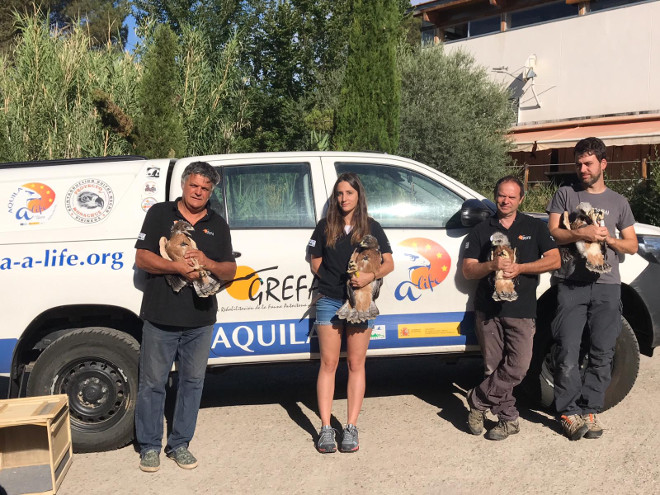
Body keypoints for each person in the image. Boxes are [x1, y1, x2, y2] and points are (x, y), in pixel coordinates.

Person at [134, 161, 237, 472]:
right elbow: (142, 257)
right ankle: (150, 446)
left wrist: (208, 261)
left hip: (200, 320)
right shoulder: (160, 214)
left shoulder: (217, 224)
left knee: (192, 383)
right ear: (183, 185)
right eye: (194, 185)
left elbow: (230, 270)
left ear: (211, 191)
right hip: (161, 316)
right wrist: (176, 267)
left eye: (206, 188)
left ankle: (179, 444)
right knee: (153, 383)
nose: (199, 192)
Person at [547, 137, 637, 440]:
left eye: (588, 163)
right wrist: (581, 231)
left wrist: (608, 239)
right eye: (578, 163)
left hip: (607, 286)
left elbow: (632, 245)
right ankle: (568, 412)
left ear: (603, 164)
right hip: (571, 283)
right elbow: (554, 233)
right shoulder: (565, 193)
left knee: (602, 351)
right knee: (568, 350)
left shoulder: (618, 202)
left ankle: (590, 409)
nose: (582, 169)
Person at [462, 176, 560, 440]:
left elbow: (554, 259)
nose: (505, 201)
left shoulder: (534, 227)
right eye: (501, 196)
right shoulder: (482, 230)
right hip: (488, 309)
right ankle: (509, 419)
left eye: (511, 197)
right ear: (496, 196)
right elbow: (468, 270)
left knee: (518, 366)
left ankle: (478, 399)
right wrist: (491, 266)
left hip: (522, 309)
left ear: (521, 199)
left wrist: (522, 267)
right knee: (492, 368)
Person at [308, 172, 394, 453]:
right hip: (329, 300)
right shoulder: (324, 226)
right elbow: (315, 260)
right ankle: (325, 428)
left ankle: (351, 427)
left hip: (360, 302)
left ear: (359, 196)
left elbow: (389, 263)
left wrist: (369, 278)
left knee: (356, 364)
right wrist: (331, 280)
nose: (343, 198)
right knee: (328, 364)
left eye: (349, 193)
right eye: (339, 193)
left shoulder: (372, 227)